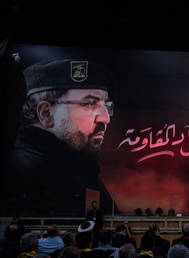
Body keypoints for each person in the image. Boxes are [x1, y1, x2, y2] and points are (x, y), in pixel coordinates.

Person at [6, 59, 116, 217]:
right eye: (90, 103)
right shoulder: (23, 174)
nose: (105, 118)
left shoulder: (77, 165)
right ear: (45, 113)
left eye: (106, 105)